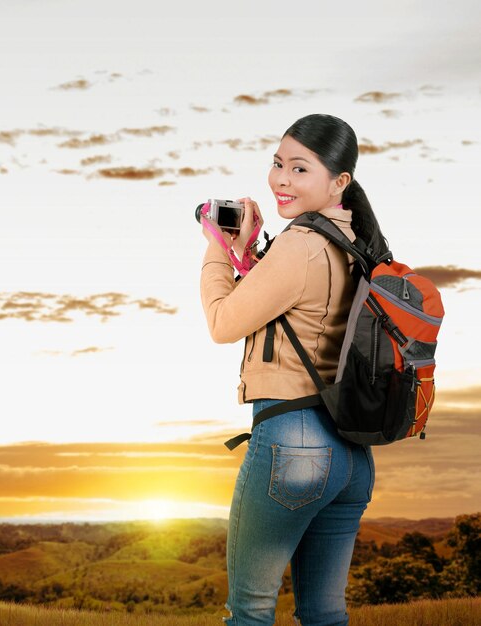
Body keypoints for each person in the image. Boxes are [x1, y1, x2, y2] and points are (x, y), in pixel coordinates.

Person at [200, 114, 388, 626]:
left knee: (251, 611)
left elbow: (222, 323)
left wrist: (217, 249)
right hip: (352, 453)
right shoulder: (360, 246)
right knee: (325, 613)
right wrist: (248, 256)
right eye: (278, 164)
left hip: (294, 441)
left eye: (300, 168)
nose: (282, 179)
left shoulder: (301, 244)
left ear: (338, 182)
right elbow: (301, 313)